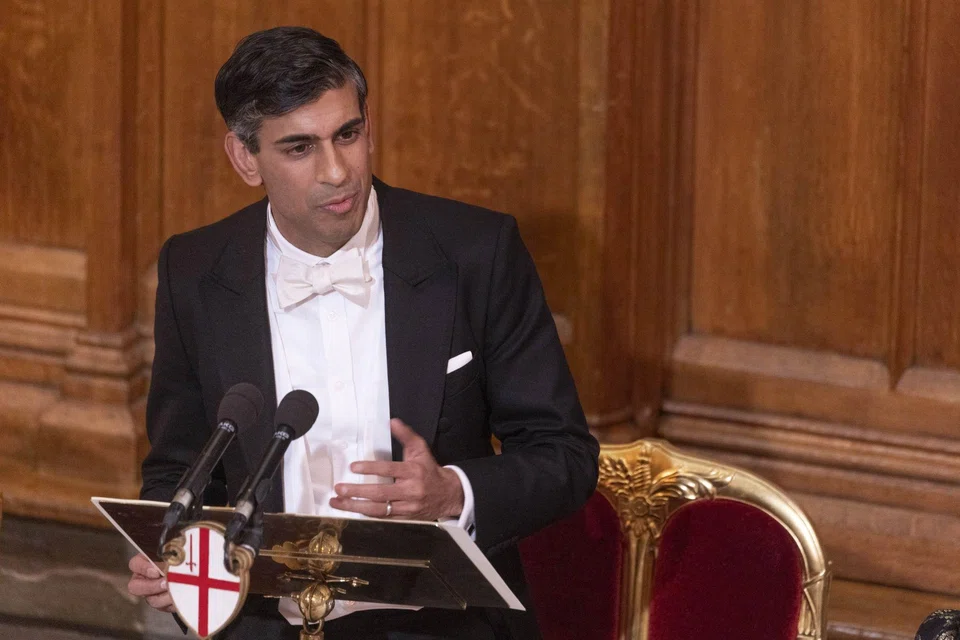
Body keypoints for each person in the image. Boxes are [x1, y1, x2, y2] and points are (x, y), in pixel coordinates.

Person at [127, 26, 598, 640]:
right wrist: (173, 553)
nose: (336, 171)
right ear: (246, 158)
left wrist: (454, 492)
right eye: (299, 148)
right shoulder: (195, 271)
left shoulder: (475, 253)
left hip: (438, 626)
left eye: (346, 134)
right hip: (260, 625)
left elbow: (565, 457)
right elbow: (179, 468)